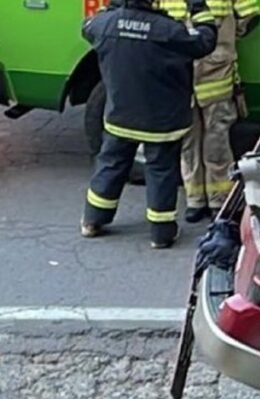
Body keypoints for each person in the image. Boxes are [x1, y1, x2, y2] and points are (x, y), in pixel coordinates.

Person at [81, 0, 217, 249]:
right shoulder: (169, 30)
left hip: (120, 116)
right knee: (161, 172)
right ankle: (161, 234)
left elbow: (87, 26)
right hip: (161, 121)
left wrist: (115, 9)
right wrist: (199, 8)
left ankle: (93, 220)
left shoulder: (105, 24)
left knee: (111, 165)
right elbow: (205, 41)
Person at [157, 0, 260, 223]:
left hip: (214, 77)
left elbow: (250, 14)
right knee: (188, 143)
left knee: (217, 142)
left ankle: (220, 200)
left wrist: (228, 38)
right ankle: (195, 200)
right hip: (180, 78)